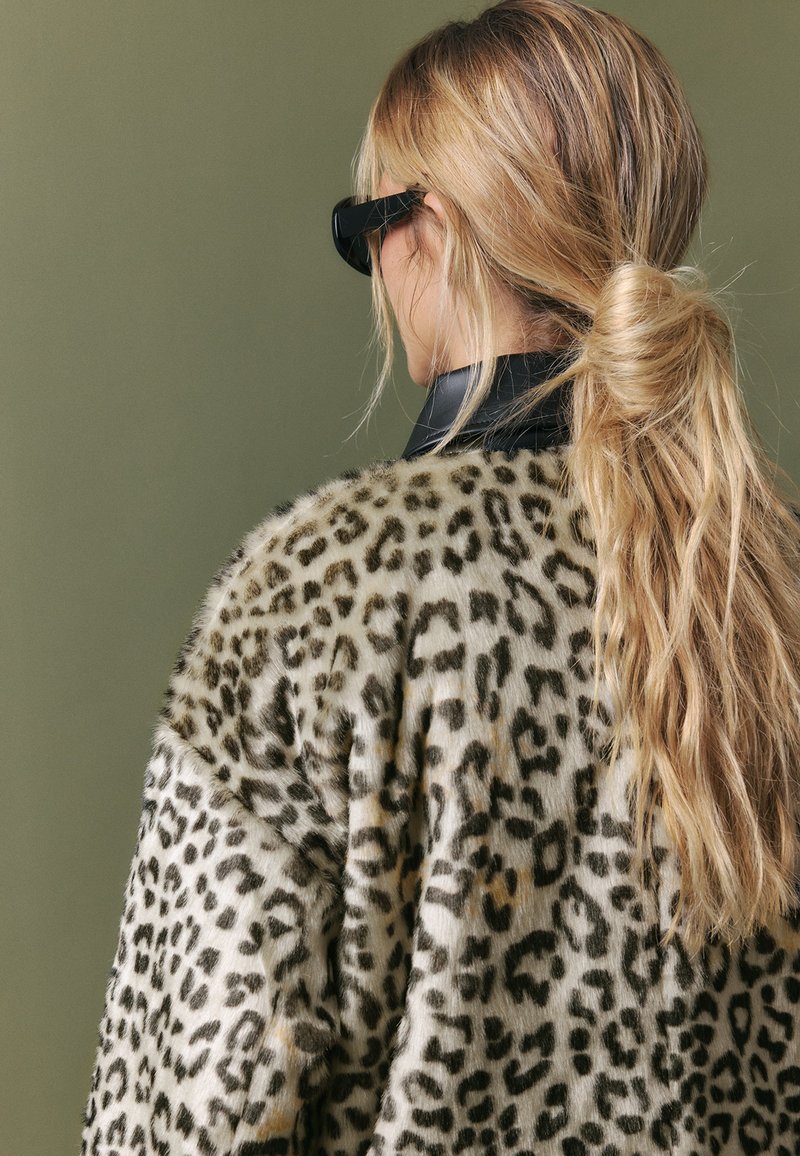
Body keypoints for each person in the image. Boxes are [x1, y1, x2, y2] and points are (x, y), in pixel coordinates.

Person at [80, 1, 800, 1153]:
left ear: (426, 229)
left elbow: (183, 1109)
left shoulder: (321, 589)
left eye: (361, 228)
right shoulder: (766, 586)